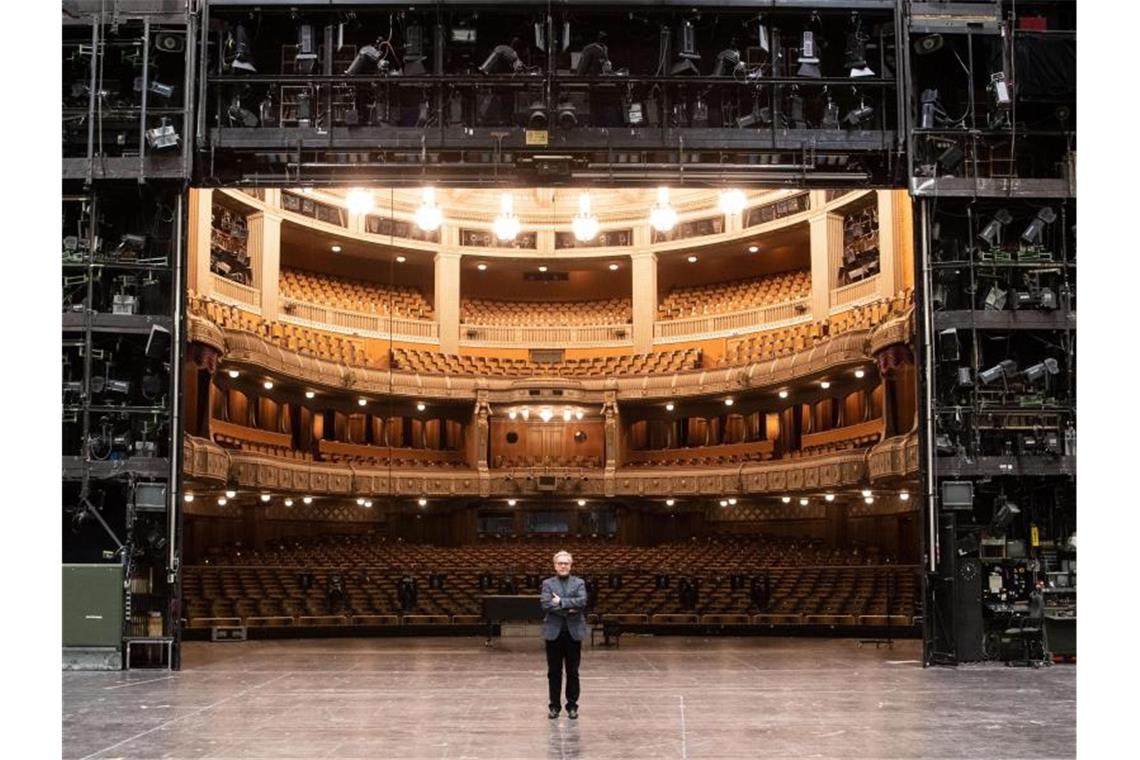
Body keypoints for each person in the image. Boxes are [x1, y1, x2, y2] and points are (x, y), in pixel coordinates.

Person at [541, 550, 587, 720]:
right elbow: (546, 604)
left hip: (573, 633)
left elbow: (582, 601)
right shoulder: (547, 584)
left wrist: (560, 602)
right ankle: (554, 706)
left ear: (570, 565)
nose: (563, 566)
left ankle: (572, 706)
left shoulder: (579, 582)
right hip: (553, 633)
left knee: (573, 672)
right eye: (560, 563)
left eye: (566, 563)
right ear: (555, 565)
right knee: (554, 672)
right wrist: (570, 608)